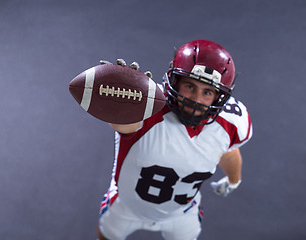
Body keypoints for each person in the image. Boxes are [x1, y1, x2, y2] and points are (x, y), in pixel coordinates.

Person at [97, 39, 253, 240]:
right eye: (190, 86)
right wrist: (118, 104)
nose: (196, 99)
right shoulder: (146, 106)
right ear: (175, 81)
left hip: (182, 214)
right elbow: (123, 124)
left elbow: (228, 152)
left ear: (219, 97)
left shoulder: (228, 125)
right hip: (125, 206)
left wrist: (234, 180)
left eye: (207, 92)